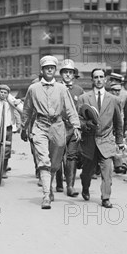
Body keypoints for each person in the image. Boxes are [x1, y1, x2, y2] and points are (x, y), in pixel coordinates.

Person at [21, 56, 81, 209]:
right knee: (44, 161)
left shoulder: (62, 89)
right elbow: (27, 109)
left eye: (52, 67)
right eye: (46, 67)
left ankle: (51, 182)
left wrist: (76, 126)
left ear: (55, 70)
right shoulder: (33, 89)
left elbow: (70, 109)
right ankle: (46, 195)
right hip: (40, 126)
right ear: (42, 70)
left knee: (54, 163)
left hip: (58, 126)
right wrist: (23, 127)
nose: (49, 70)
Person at [77, 69, 124, 208]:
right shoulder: (84, 98)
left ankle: (105, 198)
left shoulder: (114, 99)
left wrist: (119, 141)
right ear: (92, 79)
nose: (98, 79)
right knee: (87, 172)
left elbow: (118, 122)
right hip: (89, 141)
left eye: (101, 77)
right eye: (96, 77)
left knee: (107, 172)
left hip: (106, 140)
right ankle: (85, 187)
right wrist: (86, 124)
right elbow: (78, 119)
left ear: (105, 80)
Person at [56, 59, 84, 196]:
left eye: (70, 72)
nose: (68, 75)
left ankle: (70, 186)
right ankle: (59, 182)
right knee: (58, 156)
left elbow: (83, 110)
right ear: (61, 74)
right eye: (65, 72)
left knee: (72, 156)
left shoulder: (79, 90)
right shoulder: (56, 88)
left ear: (73, 74)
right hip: (58, 127)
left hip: (73, 128)